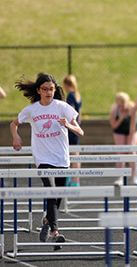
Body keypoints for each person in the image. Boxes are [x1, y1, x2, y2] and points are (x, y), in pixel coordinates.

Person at [10, 73, 84, 250]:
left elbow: (80, 131)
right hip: (42, 158)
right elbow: (14, 123)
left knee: (57, 197)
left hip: (61, 158)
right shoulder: (32, 110)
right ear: (38, 90)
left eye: (51, 89)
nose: (48, 92)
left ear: (54, 90)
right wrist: (16, 137)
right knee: (51, 191)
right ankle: (55, 232)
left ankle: (47, 220)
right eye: (45, 89)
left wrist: (68, 125)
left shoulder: (62, 107)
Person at [109, 92, 137, 185]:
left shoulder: (132, 107)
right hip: (119, 130)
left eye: (123, 104)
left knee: (132, 151)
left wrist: (130, 141)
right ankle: (120, 177)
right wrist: (121, 118)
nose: (122, 106)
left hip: (131, 130)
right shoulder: (114, 109)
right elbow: (113, 126)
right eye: (120, 104)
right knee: (120, 152)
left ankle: (134, 176)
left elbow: (133, 126)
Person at [63, 74, 82, 186]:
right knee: (76, 155)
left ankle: (70, 179)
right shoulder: (78, 95)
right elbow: (80, 113)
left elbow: (71, 112)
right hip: (76, 127)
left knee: (70, 154)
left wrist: (69, 125)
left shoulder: (70, 96)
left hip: (71, 129)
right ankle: (76, 180)